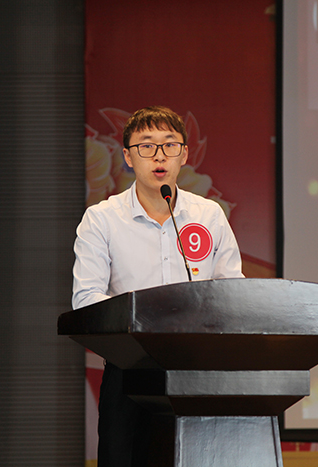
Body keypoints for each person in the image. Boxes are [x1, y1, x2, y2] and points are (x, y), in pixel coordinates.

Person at [72, 106, 244, 466]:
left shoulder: (209, 215)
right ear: (128, 156)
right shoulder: (102, 219)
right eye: (147, 146)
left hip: (197, 371)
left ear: (184, 154)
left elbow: (232, 294)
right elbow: (86, 300)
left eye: (169, 145)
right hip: (128, 371)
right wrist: (140, 332)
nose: (159, 156)